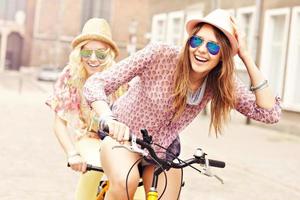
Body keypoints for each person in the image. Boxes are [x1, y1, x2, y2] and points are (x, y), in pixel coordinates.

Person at [83, 9, 281, 200]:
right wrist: (109, 118)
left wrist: (245, 56)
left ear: (224, 55)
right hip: (123, 138)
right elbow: (96, 84)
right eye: (197, 41)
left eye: (213, 47)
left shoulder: (219, 81)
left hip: (161, 150)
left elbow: (269, 113)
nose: (202, 50)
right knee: (126, 181)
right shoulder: (160, 54)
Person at [46, 18, 125, 199]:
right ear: (79, 52)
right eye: (87, 52)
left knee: (136, 185)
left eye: (101, 54)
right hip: (89, 137)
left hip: (119, 142)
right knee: (93, 168)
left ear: (110, 54)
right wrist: (72, 153)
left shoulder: (120, 76)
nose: (93, 59)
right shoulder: (71, 75)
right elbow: (59, 122)